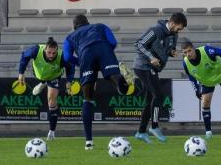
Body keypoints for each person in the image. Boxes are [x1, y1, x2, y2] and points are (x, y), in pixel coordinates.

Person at [62, 14, 134, 151]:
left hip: (85, 55)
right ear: (88, 22)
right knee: (117, 81)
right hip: (104, 49)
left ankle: (89, 141)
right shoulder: (100, 26)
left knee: (88, 98)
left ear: (74, 26)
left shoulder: (70, 37)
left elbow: (66, 57)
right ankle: (120, 79)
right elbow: (113, 42)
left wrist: (81, 62)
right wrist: (104, 59)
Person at [133, 12, 187, 144]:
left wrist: (172, 52)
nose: (179, 31)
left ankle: (140, 132)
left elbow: (169, 50)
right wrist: (151, 57)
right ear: (172, 23)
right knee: (159, 95)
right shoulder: (155, 30)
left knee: (149, 100)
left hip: (152, 69)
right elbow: (139, 44)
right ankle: (154, 127)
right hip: (143, 66)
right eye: (179, 28)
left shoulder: (174, 35)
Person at [18, 36, 74, 141]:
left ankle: (52, 132)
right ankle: (43, 83)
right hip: (39, 74)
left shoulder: (62, 56)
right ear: (45, 49)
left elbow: (70, 67)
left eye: (54, 53)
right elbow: (24, 56)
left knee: (51, 101)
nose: (51, 55)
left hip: (54, 76)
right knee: (43, 80)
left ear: (57, 50)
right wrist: (21, 73)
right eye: (49, 52)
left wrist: (69, 81)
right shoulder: (36, 50)